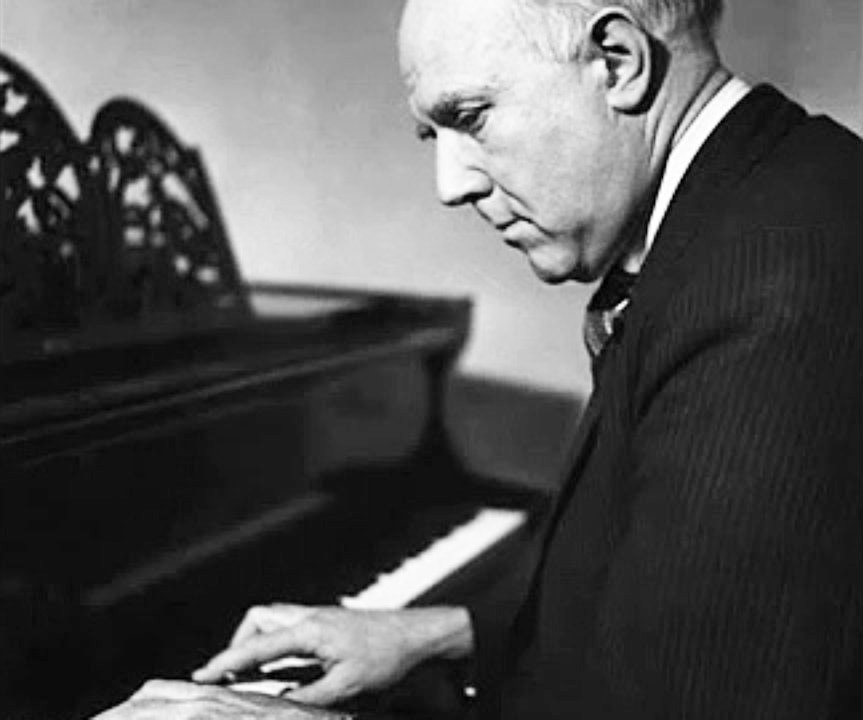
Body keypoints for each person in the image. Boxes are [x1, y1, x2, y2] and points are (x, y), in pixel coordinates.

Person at [94, 0, 862, 718]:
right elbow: (663, 598)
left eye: (469, 117)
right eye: (433, 135)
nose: (450, 185)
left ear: (617, 62)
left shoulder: (771, 284)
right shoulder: (762, 202)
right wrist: (447, 632)